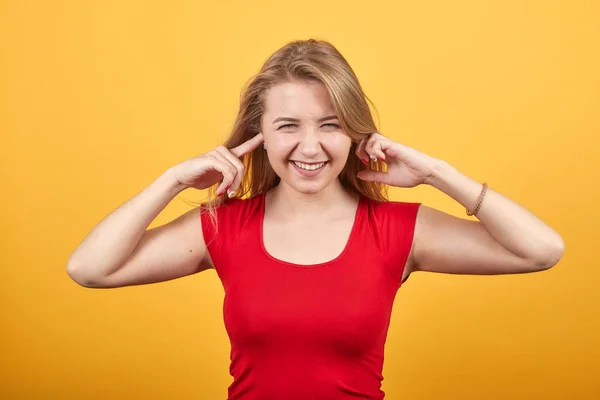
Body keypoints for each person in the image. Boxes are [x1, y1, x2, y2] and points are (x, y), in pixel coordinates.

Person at [66, 39, 565, 399]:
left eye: (330, 125)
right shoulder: (223, 226)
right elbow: (90, 268)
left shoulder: (398, 230)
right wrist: (171, 181)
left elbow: (541, 250)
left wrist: (439, 174)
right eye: (288, 126)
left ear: (354, 134)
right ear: (257, 134)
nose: (311, 147)